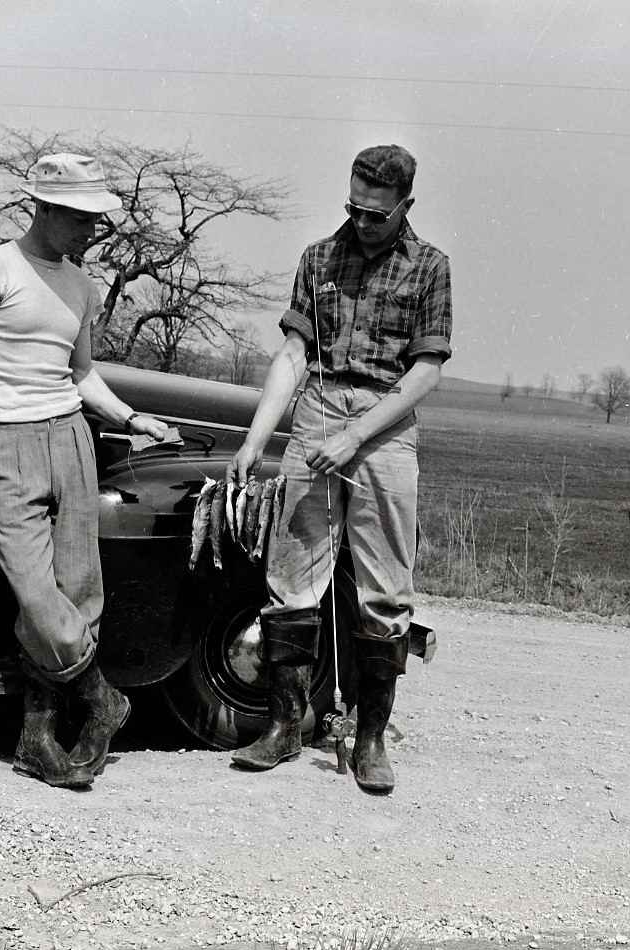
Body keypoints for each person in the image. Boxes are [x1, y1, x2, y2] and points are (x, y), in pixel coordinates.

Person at [0, 153, 169, 790]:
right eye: (82, 218)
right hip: (2, 443)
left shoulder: (81, 283)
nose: (92, 231)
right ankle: (103, 699)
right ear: (45, 207)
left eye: (97, 219)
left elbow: (81, 371)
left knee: (79, 590)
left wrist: (130, 416)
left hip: (70, 438)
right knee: (38, 597)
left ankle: (38, 739)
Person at [226, 144, 452, 794]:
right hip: (318, 415)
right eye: (353, 208)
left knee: (383, 590)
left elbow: (426, 370)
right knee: (290, 577)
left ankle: (371, 739)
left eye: (377, 214)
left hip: (383, 427)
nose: (362, 222)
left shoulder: (431, 268)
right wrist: (255, 440)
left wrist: (355, 434)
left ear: (405, 205)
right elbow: (294, 354)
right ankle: (282, 727)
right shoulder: (318, 258)